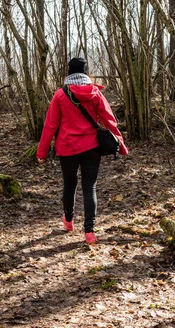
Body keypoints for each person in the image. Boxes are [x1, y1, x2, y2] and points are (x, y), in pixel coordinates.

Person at [36, 57, 128, 244]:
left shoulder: (60, 95)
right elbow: (109, 120)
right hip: (92, 148)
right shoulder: (95, 93)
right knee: (89, 187)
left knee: (69, 184)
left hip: (67, 148)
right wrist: (121, 144)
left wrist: (42, 153)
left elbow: (50, 126)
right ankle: (89, 232)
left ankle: (68, 220)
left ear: (69, 73)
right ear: (86, 73)